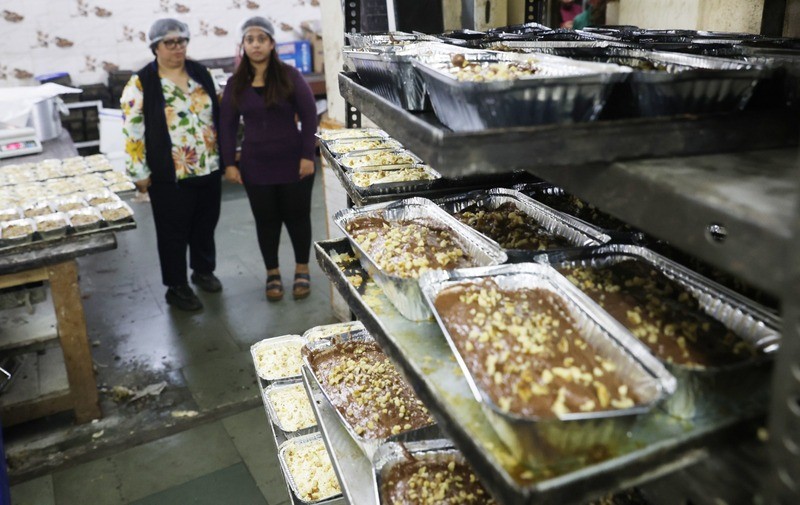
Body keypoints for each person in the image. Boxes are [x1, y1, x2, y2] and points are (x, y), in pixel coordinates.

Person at [121, 18, 224, 312]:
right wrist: (139, 172)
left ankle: (203, 270)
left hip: (208, 166)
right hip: (169, 174)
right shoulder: (141, 82)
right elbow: (132, 130)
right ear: (156, 46)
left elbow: (216, 116)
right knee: (173, 233)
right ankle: (176, 287)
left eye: (181, 41)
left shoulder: (202, 73)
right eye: (169, 42)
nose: (177, 47)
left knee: (205, 225)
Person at [220, 16, 317, 302]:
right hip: (256, 165)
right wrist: (229, 163)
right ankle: (272, 273)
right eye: (250, 40)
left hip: (293, 161)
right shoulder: (236, 83)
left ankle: (302, 269)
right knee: (266, 221)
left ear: (272, 43)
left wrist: (307, 155)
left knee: (297, 218)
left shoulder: (289, 76)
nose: (256, 45)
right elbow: (226, 126)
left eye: (261, 39)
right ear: (243, 45)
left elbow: (310, 115)